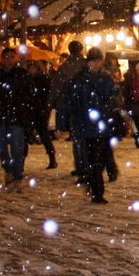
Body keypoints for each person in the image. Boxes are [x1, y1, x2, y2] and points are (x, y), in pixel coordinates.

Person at [63, 47, 119, 204]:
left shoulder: (106, 77)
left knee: (99, 159)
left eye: (98, 60)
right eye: (93, 61)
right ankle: (96, 190)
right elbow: (72, 101)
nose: (96, 64)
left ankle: (95, 187)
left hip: (101, 123)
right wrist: (67, 121)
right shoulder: (79, 79)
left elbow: (114, 97)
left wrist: (109, 108)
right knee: (92, 158)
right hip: (86, 124)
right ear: (88, 62)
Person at [0, 48, 32, 188]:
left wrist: (28, 113)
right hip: (2, 117)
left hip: (18, 117)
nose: (9, 59)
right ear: (2, 59)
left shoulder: (22, 75)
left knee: (17, 149)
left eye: (12, 57)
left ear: (16, 58)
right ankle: (8, 170)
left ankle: (16, 176)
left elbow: (29, 96)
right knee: (1, 148)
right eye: (6, 57)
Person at [50, 41, 88, 175]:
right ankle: (88, 164)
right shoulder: (87, 65)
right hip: (87, 105)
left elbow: (57, 87)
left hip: (72, 105)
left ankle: (80, 165)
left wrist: (55, 102)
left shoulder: (65, 67)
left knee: (77, 137)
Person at [25, 58, 57, 168]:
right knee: (25, 136)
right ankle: (21, 161)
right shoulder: (27, 80)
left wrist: (45, 109)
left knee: (44, 136)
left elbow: (46, 96)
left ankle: (52, 159)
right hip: (30, 111)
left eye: (33, 68)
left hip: (40, 111)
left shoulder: (43, 79)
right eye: (30, 68)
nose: (31, 70)